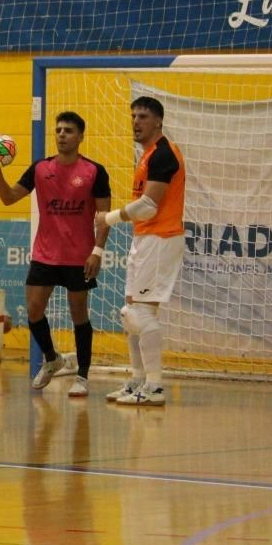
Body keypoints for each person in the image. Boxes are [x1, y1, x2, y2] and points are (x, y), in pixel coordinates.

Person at [0, 112, 112, 398]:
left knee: (78, 313)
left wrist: (97, 251)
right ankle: (52, 358)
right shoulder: (40, 168)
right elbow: (8, 198)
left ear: (81, 136)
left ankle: (82, 375)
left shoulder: (95, 171)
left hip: (80, 255)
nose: (61, 134)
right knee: (33, 309)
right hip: (45, 253)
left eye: (68, 130)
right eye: (58, 130)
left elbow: (103, 217)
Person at [102, 94, 186, 406]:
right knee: (130, 313)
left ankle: (155, 385)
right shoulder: (148, 154)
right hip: (145, 237)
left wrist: (109, 218)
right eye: (134, 115)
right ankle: (138, 379)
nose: (136, 121)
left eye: (143, 117)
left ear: (158, 121)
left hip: (160, 237)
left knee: (141, 312)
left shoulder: (164, 153)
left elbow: (149, 206)